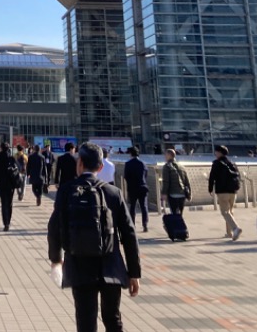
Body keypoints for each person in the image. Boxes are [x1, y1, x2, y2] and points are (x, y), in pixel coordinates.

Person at [48, 142, 141, 332]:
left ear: (79, 162)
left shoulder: (66, 191)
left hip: (79, 265)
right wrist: (134, 273)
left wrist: (56, 260)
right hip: (111, 267)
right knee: (113, 319)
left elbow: (54, 227)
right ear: (100, 167)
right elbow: (129, 234)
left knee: (86, 321)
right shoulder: (114, 193)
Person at [209, 144, 243, 240]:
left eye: (216, 152)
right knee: (230, 212)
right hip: (233, 191)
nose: (215, 153)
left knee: (225, 212)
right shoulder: (232, 163)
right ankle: (229, 233)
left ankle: (236, 228)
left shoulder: (217, 163)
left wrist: (210, 188)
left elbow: (212, 177)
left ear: (219, 152)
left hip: (222, 191)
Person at [0, 141, 20, 231]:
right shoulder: (11, 159)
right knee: (10, 203)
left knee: (3, 203)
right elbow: (17, 170)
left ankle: (5, 223)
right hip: (11, 184)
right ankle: (9, 221)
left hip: (1, 184)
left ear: (0, 148)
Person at [123, 147, 149, 232]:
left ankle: (132, 224)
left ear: (130, 153)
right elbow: (146, 175)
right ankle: (145, 225)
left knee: (132, 207)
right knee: (144, 207)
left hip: (132, 188)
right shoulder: (143, 163)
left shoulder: (128, 164)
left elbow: (126, 176)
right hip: (142, 187)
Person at [161, 148, 191, 217]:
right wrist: (189, 194)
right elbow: (187, 181)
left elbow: (166, 181)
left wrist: (164, 193)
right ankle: (182, 226)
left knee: (174, 214)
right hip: (182, 194)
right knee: (180, 214)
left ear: (169, 155)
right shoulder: (182, 167)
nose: (164, 156)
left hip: (173, 194)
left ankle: (177, 227)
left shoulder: (167, 166)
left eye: (165, 154)